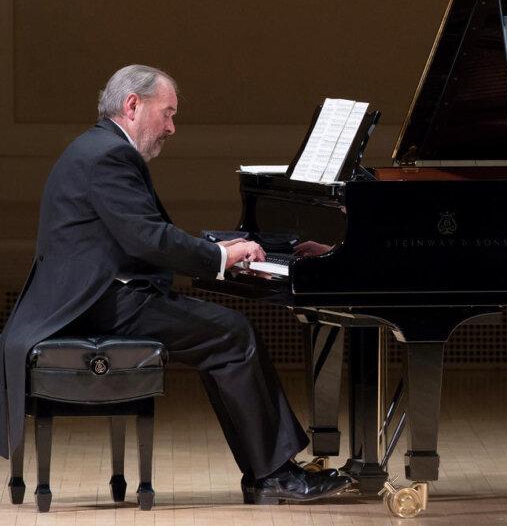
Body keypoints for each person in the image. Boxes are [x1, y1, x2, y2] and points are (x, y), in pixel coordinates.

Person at [0, 64, 350, 504]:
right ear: (133, 105)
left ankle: (269, 471)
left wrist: (218, 248)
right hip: (95, 302)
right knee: (232, 334)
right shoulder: (110, 155)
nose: (171, 127)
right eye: (167, 113)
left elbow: (140, 234)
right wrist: (220, 256)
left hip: (92, 296)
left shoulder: (96, 147)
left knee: (224, 335)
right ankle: (273, 475)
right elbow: (148, 238)